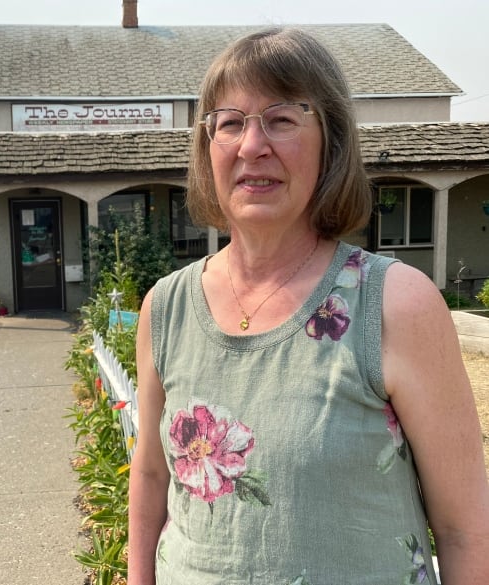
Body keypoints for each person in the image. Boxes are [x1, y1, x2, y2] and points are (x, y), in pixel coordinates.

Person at [128, 27, 489, 585]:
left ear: (332, 144)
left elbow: (465, 530)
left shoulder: (394, 303)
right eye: (230, 123)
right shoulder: (166, 308)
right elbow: (152, 478)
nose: (252, 146)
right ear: (208, 148)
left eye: (281, 118)